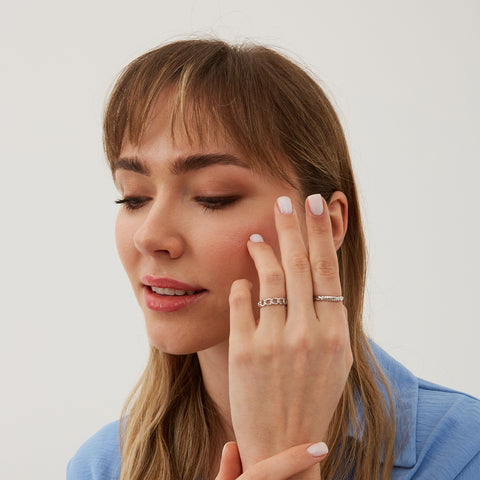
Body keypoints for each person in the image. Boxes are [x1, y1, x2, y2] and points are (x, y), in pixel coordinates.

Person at [67, 39, 480, 480]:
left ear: (328, 223)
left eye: (214, 197)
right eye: (132, 198)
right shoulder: (102, 466)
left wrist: (283, 455)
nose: (150, 236)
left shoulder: (461, 450)